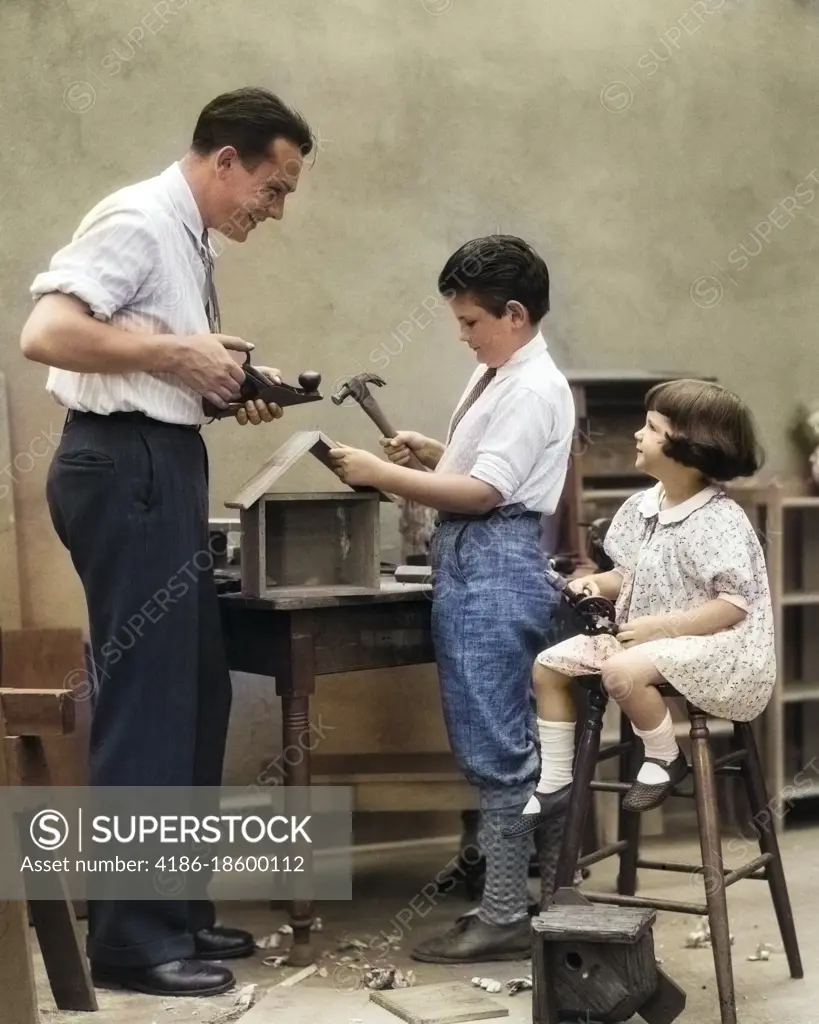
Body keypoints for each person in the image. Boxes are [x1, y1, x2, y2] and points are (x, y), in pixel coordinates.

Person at [20, 87, 313, 998]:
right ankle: (129, 940)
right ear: (225, 160)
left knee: (191, 696)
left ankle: (173, 911)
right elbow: (48, 333)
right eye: (272, 187)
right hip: (124, 465)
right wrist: (176, 359)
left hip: (163, 458)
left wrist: (222, 381)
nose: (274, 210)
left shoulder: (186, 237)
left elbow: (151, 351)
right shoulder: (140, 218)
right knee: (148, 700)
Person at [327, 235, 575, 963]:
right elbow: (480, 471)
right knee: (510, 743)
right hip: (481, 554)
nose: (462, 336)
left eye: (470, 322)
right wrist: (436, 455)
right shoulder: (503, 375)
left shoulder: (530, 386)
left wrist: (382, 474)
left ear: (515, 314)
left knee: (497, 751)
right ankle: (554, 903)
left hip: (494, 560)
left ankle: (504, 914)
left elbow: (487, 493)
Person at [504, 378, 774, 838]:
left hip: (718, 644)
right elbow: (628, 575)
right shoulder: (640, 507)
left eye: (650, 427)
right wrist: (596, 582)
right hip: (645, 636)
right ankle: (555, 781)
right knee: (548, 667)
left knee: (621, 673)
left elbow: (732, 606)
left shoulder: (719, 520)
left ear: (690, 447)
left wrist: (660, 629)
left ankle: (666, 755)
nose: (637, 434)